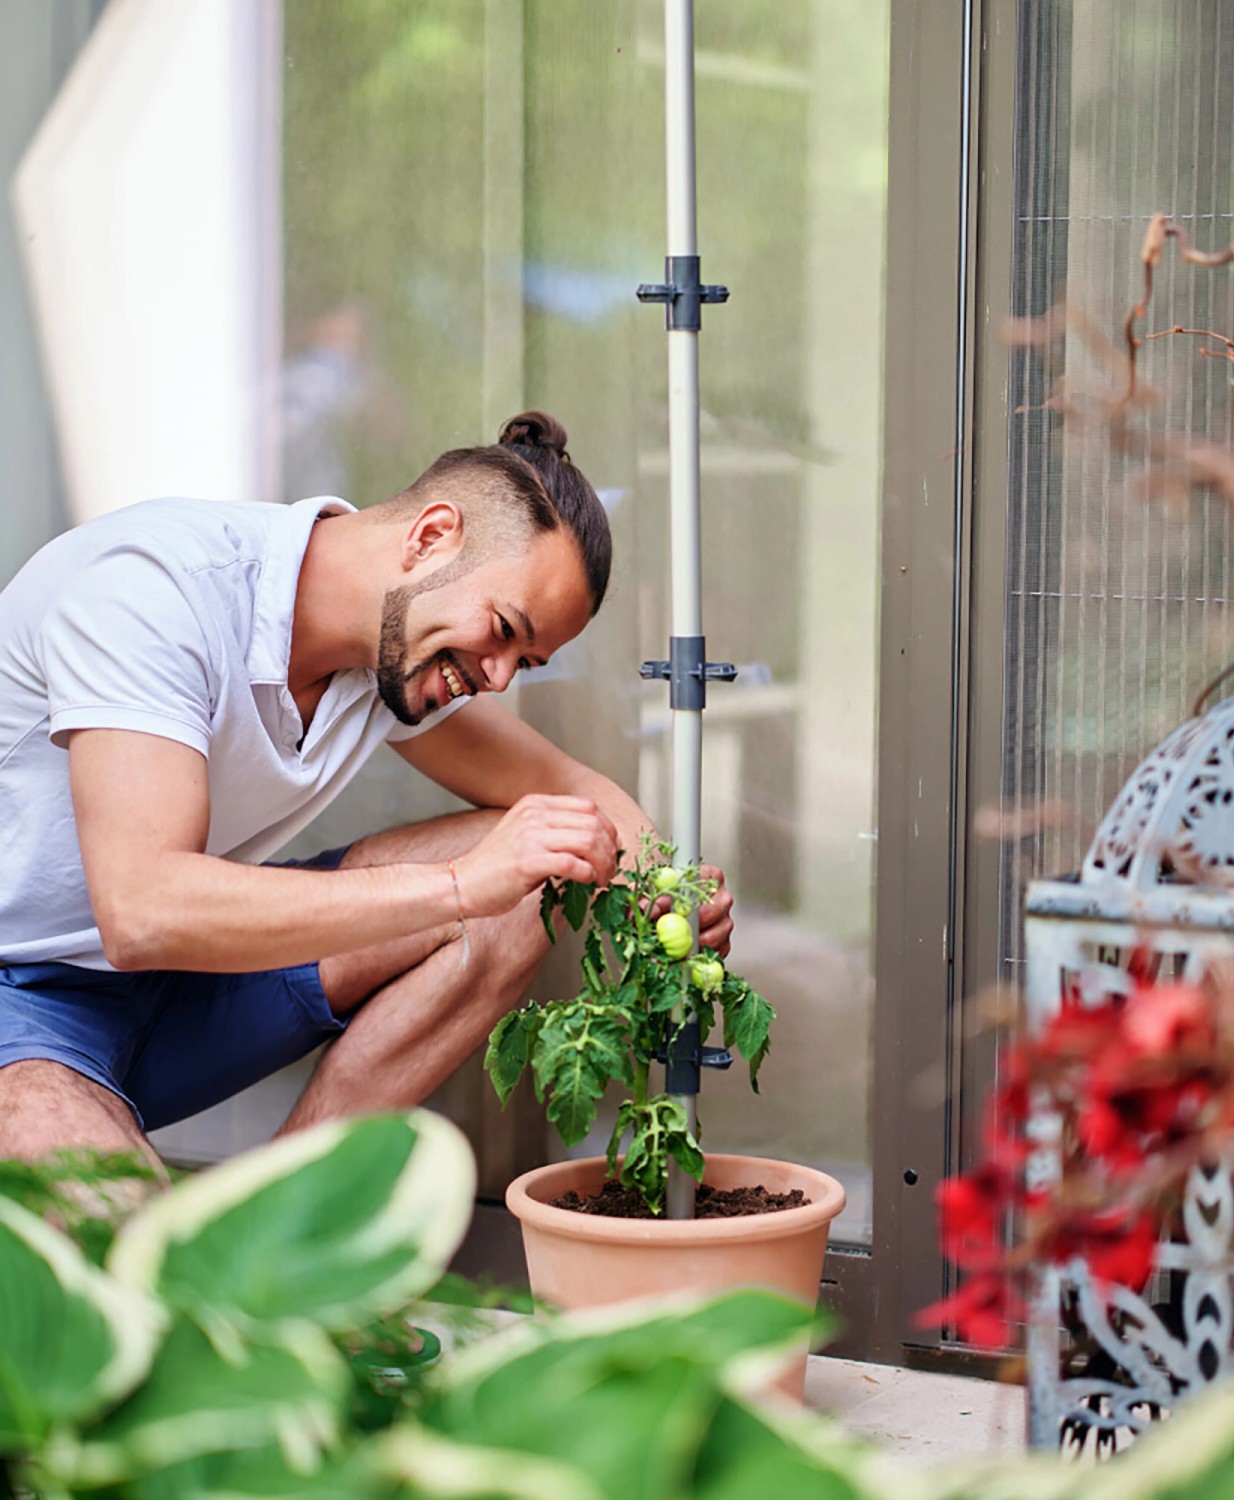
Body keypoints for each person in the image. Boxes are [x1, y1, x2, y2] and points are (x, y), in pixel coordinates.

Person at [0, 411, 733, 1169]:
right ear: (431, 537)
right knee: (128, 1243)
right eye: (502, 629)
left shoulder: (389, 650)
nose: (497, 678)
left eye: (526, 661)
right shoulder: (156, 596)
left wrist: (669, 884)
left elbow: (567, 789)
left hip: (179, 991)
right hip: (20, 996)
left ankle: (290, 1226)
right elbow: (142, 912)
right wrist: (460, 885)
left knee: (530, 869)